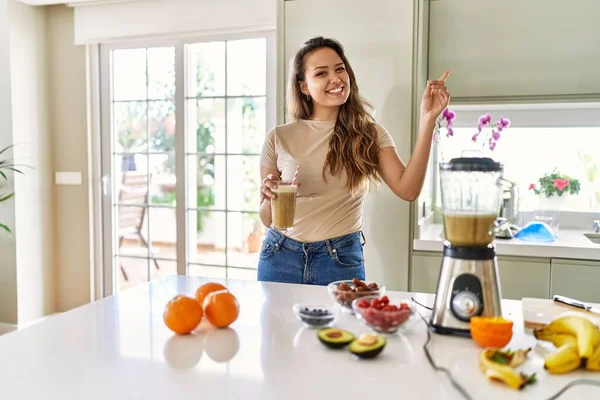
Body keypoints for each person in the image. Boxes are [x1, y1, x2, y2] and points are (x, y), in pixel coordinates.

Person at [257, 36, 450, 285]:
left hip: (338, 260)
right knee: (278, 326)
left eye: (340, 68)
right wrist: (269, 196)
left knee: (342, 326)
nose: (335, 78)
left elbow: (408, 189)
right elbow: (267, 218)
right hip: (279, 255)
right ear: (304, 87)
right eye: (321, 73)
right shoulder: (278, 137)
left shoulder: (370, 134)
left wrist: (428, 120)